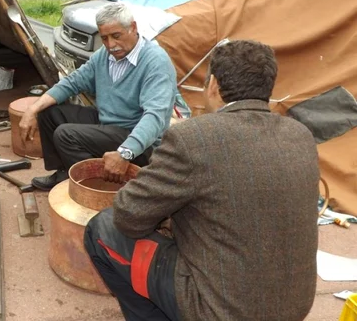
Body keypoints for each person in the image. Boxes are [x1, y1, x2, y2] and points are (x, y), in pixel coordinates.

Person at [83, 39, 319, 321]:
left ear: (213, 86)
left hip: (222, 311)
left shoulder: (193, 137)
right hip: (294, 306)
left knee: (103, 227)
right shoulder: (300, 135)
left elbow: (128, 215)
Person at [19, 2, 177, 191]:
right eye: (105, 38)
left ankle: (99, 184)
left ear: (133, 28)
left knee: (66, 135)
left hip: (139, 140)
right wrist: (32, 109)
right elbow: (72, 82)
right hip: (108, 123)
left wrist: (125, 153)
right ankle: (65, 173)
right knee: (49, 113)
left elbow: (155, 117)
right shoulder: (104, 55)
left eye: (116, 36)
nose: (111, 45)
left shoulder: (155, 61)